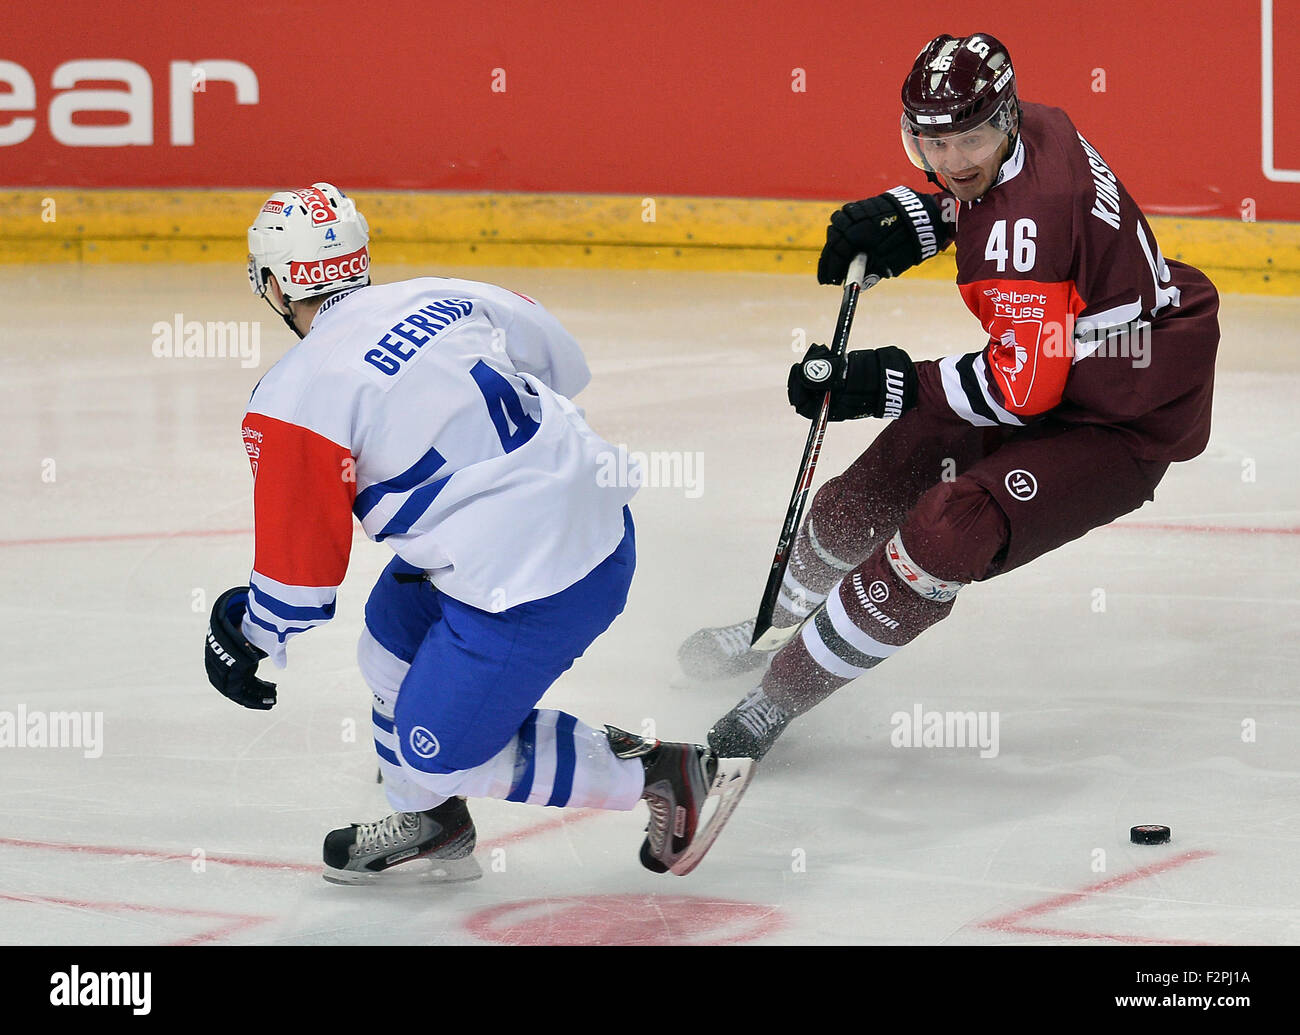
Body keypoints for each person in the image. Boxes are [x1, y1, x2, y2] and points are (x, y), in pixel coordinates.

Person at [680, 33, 1220, 763]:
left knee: (948, 529)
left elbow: (1025, 388)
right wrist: (919, 215)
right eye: (934, 144)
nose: (954, 160)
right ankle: (775, 619)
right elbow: (1003, 207)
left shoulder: (1022, 233)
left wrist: (886, 382)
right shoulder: (1039, 124)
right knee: (882, 477)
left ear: (1004, 121)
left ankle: (781, 690)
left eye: (972, 138)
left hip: (1123, 415)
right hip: (1075, 356)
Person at [203, 182, 743, 882]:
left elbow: (298, 585)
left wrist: (244, 632)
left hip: (533, 582)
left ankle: (665, 774)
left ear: (275, 284)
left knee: (438, 749)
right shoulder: (442, 293)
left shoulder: (293, 397)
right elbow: (561, 361)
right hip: (597, 524)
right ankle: (431, 820)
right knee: (389, 642)